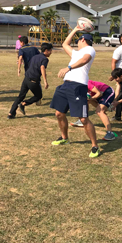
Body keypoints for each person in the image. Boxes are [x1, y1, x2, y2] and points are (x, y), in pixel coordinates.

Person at [50, 29, 100, 158]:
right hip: (66, 85)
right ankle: (64, 138)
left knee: (83, 118)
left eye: (78, 40)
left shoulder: (89, 49)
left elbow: (85, 60)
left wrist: (69, 67)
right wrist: (75, 29)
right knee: (59, 113)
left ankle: (95, 146)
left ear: (82, 40)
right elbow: (65, 44)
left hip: (78, 86)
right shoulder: (76, 53)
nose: (76, 43)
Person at [8, 43, 52, 119]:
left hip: (26, 78)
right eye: (50, 50)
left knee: (20, 96)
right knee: (38, 96)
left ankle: (11, 113)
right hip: (33, 81)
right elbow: (42, 68)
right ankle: (23, 104)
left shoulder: (35, 57)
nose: (51, 52)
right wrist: (45, 81)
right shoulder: (45, 59)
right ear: (46, 50)